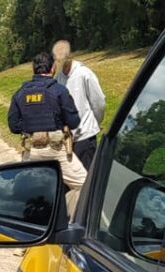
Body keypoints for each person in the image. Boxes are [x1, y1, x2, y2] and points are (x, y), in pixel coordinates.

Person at [8, 51, 87, 214]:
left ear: (33, 69)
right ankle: (68, 218)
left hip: (32, 153)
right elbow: (73, 122)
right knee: (85, 185)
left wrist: (31, 126)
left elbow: (14, 126)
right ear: (53, 68)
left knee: (23, 192)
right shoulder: (59, 91)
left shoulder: (19, 94)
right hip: (57, 150)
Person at [52, 40, 106, 171]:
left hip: (85, 137)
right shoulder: (58, 78)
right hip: (67, 140)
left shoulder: (84, 74)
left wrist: (94, 123)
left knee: (87, 178)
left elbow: (99, 102)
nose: (58, 62)